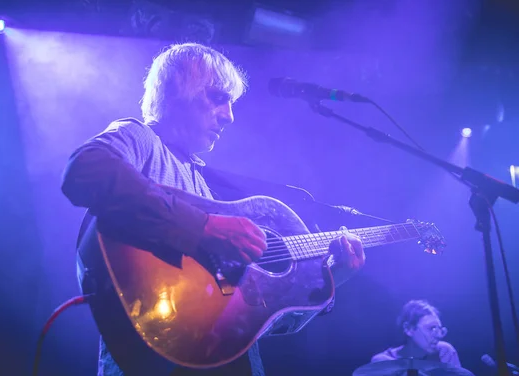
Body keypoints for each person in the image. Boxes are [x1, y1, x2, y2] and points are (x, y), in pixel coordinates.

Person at [61, 42, 366, 376]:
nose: (230, 115)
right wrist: (203, 228)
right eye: (219, 97)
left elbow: (258, 318)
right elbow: (86, 170)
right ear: (177, 90)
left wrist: (334, 274)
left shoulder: (205, 187)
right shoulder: (140, 138)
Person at [371, 299, 461, 367]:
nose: (438, 335)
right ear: (409, 329)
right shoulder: (383, 362)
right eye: (431, 328)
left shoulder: (445, 352)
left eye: (440, 329)